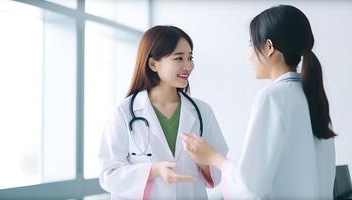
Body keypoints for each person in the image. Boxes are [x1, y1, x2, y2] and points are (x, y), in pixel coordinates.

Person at [182, 5, 336, 199]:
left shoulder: (273, 97)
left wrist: (213, 157)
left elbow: (250, 186)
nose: (249, 55)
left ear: (269, 47)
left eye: (251, 44)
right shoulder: (313, 96)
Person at [98, 25, 228, 199]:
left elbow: (221, 169)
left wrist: (205, 162)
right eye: (178, 58)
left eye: (190, 58)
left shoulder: (202, 112)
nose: (188, 66)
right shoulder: (123, 112)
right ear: (153, 64)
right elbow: (109, 175)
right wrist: (153, 171)